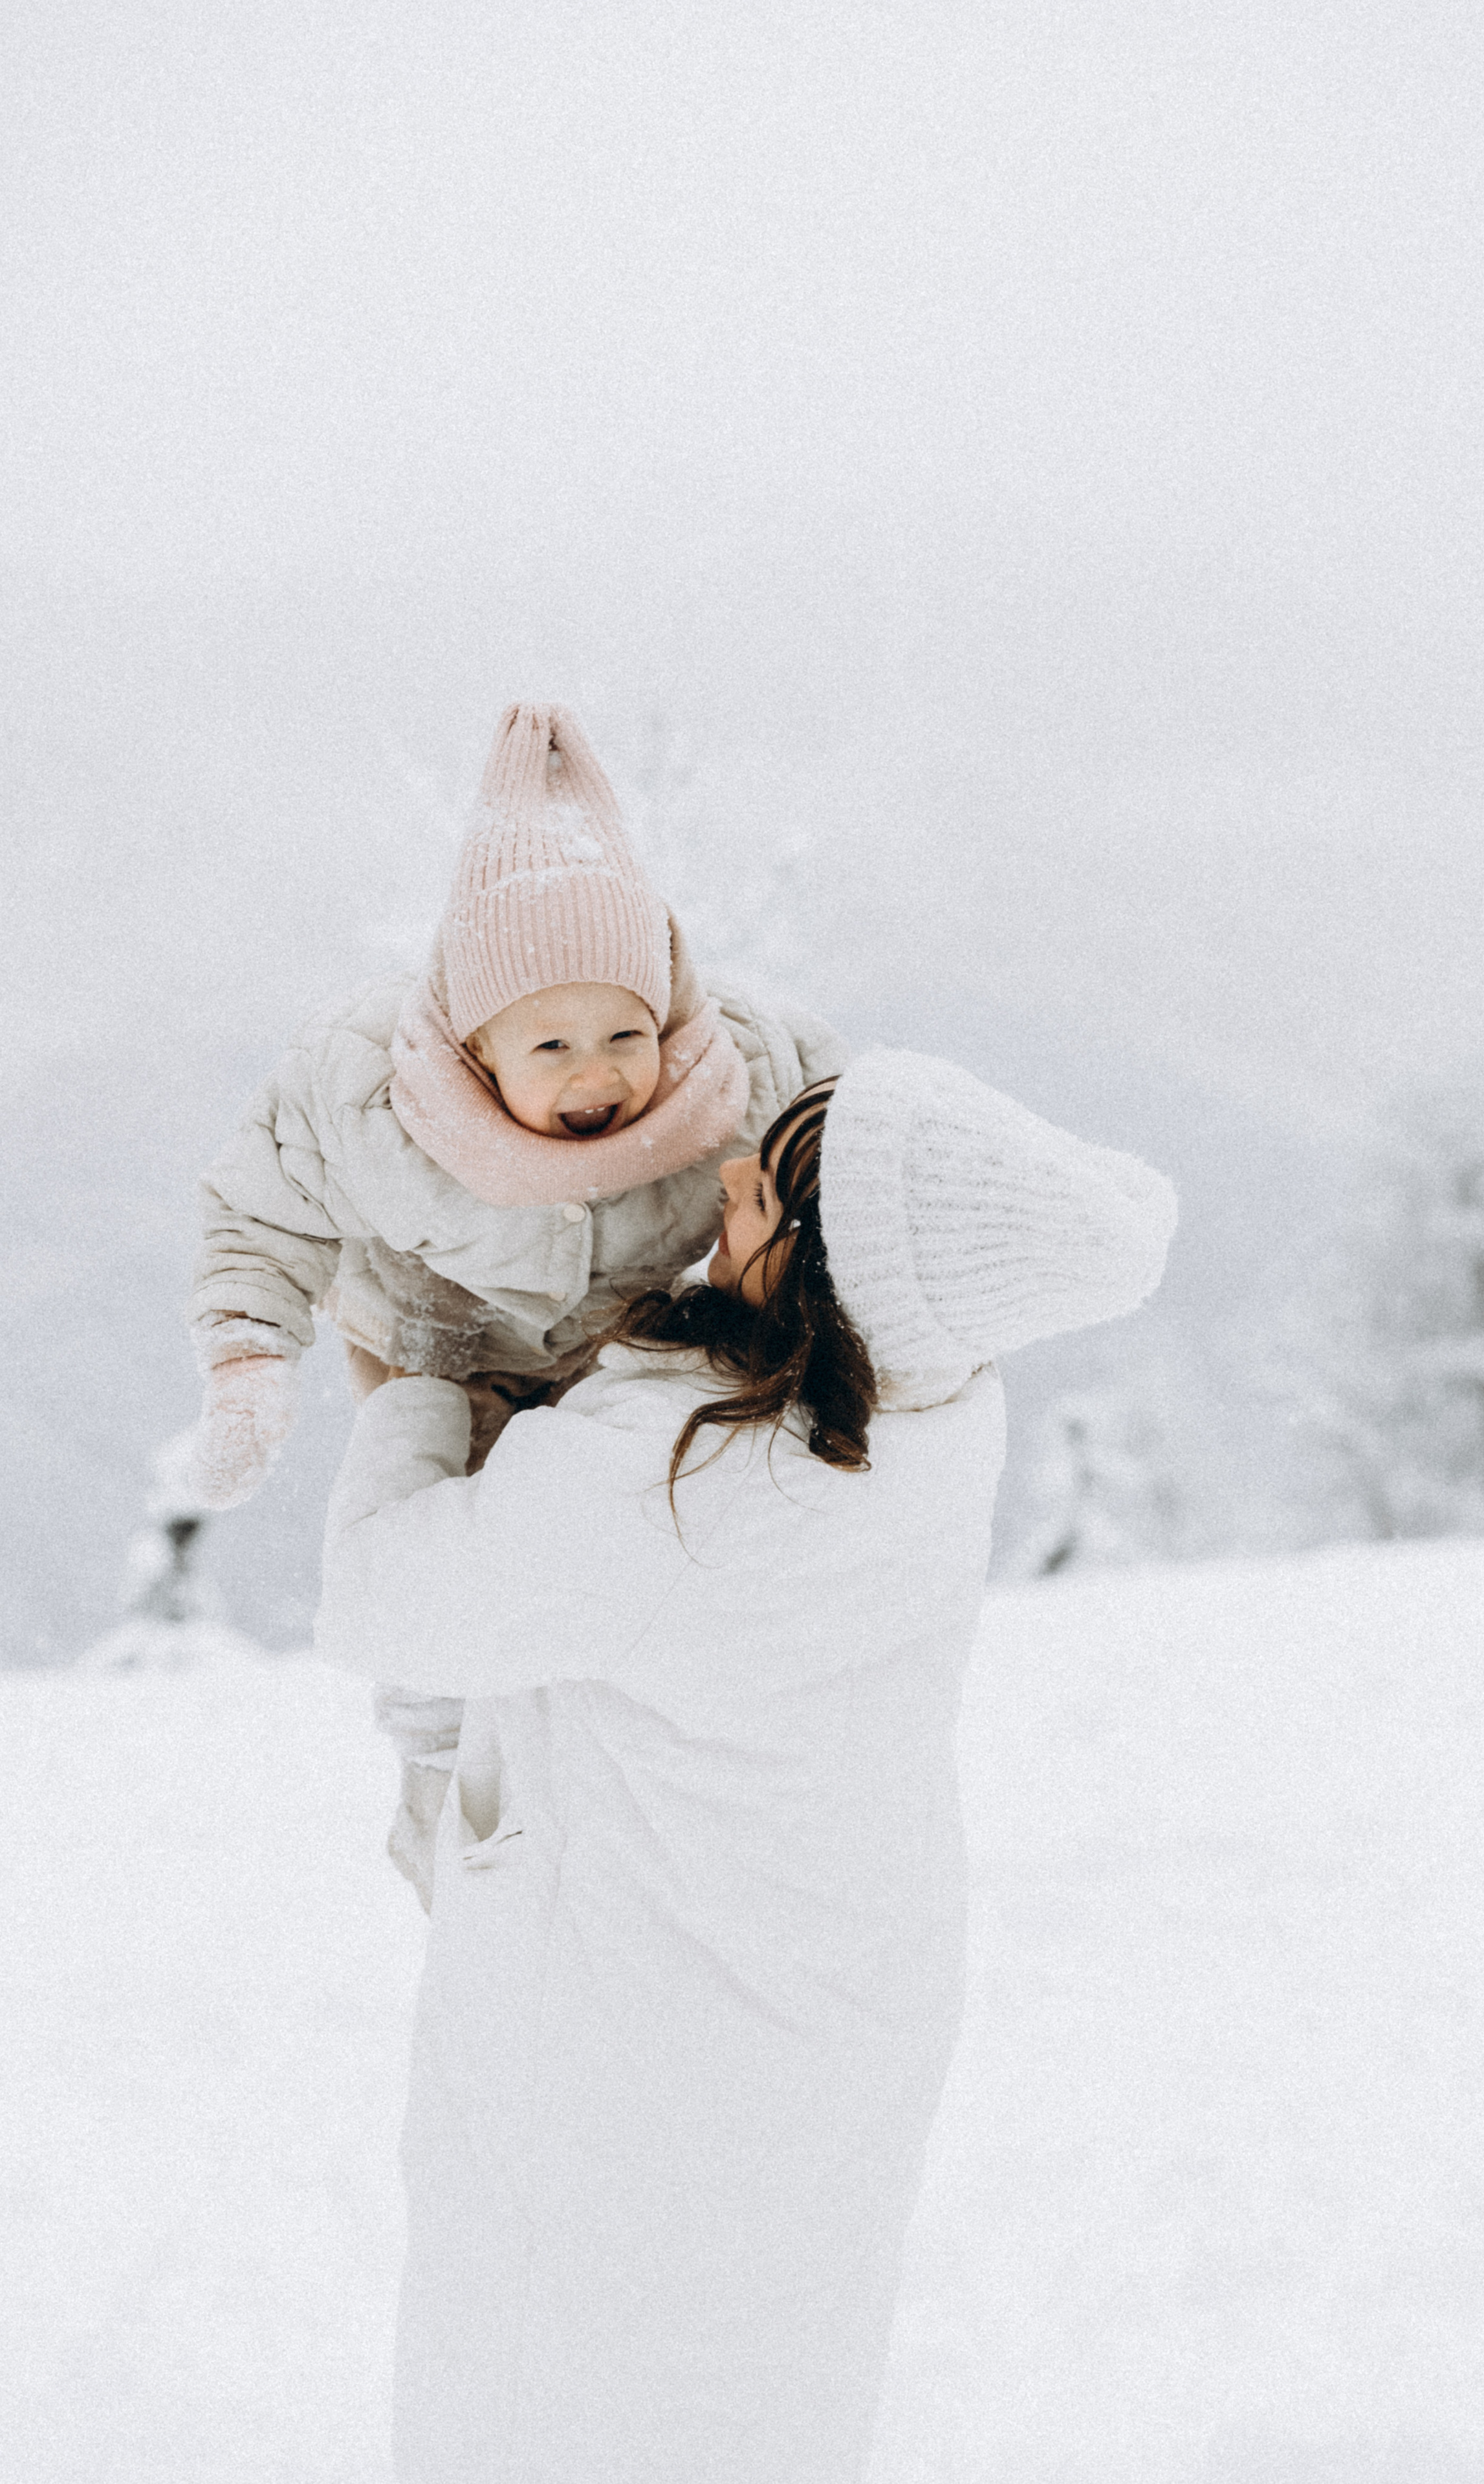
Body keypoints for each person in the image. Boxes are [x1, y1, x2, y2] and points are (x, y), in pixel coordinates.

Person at [312, 1049, 1178, 2484]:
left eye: (762, 1183)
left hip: (642, 2058)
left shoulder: (682, 1473)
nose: (725, 1184)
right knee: (755, 2400)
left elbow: (386, 1598)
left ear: (816, 1267)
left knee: (556, 2404)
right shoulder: (928, 1404)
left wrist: (409, 1394)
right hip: (825, 2008)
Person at [184, 700, 842, 1888]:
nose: (600, 1076)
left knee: (617, 1584)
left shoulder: (744, 1071)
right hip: (438, 1365)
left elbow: (855, 1149)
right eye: (550, 1050)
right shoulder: (363, 1088)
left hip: (621, 1365)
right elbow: (257, 1209)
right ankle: (440, 1805)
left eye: (626, 1034)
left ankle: (633, 1815)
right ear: (476, 1045)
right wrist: (248, 1361)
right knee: (435, 1593)